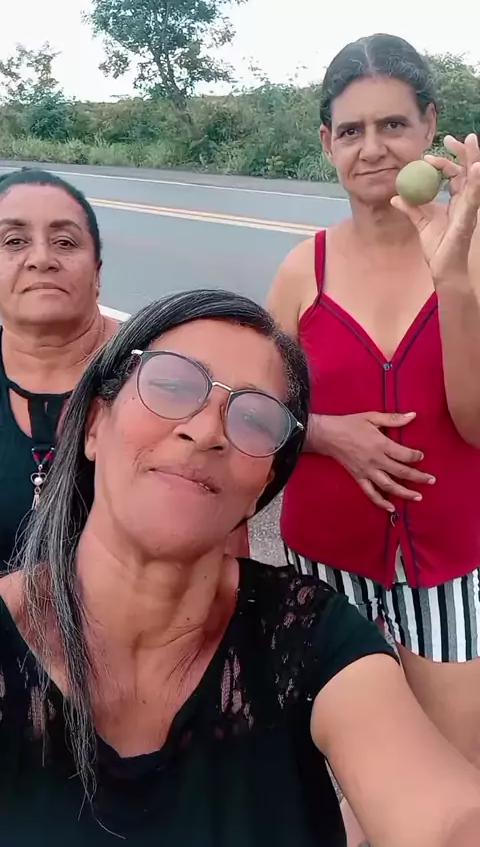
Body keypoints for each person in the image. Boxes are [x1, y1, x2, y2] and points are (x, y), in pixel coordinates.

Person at [1, 287, 480, 845]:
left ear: (263, 487)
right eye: (171, 385)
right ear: (91, 425)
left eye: (254, 417)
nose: (206, 432)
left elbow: (445, 818)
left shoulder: (310, 637)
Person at [267, 33, 480, 778]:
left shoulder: (474, 254)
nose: (374, 148)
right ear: (328, 143)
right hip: (323, 561)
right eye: (352, 130)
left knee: (456, 775)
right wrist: (324, 433)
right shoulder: (304, 268)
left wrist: (454, 280)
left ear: (430, 125)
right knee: (341, 772)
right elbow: (257, 409)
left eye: (394, 124)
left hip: (446, 567)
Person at [0, 168, 118, 569]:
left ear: (97, 273)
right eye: (14, 241)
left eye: (65, 242)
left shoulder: (156, 376)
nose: (41, 260)